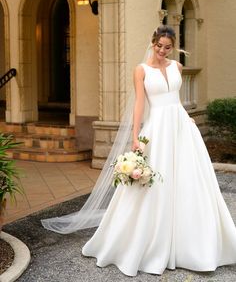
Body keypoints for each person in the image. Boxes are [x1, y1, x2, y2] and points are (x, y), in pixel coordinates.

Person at [81, 25, 236, 276]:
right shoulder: (140, 71)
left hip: (182, 129)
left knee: (191, 181)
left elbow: (178, 99)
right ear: (152, 43)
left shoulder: (178, 67)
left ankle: (193, 244)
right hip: (158, 131)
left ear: (172, 47)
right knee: (155, 186)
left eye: (167, 47)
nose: (162, 50)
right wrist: (135, 138)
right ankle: (146, 242)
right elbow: (140, 105)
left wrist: (188, 119)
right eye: (159, 46)